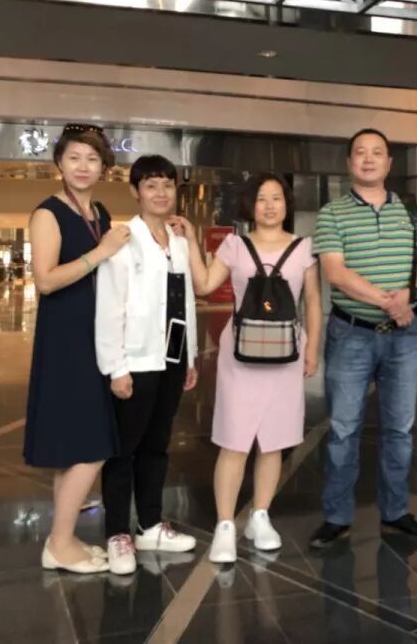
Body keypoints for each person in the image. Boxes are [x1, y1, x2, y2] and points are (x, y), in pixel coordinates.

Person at [179, 173, 322, 565]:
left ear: (287, 204)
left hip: (287, 353)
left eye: (277, 198)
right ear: (250, 205)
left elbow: (312, 300)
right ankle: (225, 525)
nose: (270, 205)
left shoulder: (304, 248)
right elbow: (205, 284)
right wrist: (191, 242)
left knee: (275, 439)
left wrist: (313, 349)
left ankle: (260, 515)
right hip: (240, 355)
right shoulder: (235, 245)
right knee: (234, 439)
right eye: (262, 198)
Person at [309, 128, 417, 549]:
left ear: (389, 163)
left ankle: (396, 512)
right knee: (344, 429)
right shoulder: (332, 213)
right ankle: (336, 517)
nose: (368, 159)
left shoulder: (411, 208)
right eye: (360, 153)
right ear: (349, 163)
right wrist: (391, 302)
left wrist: (411, 296)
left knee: (400, 428)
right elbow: (335, 272)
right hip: (351, 334)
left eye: (377, 153)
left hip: (403, 337)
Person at [24, 123, 131, 574]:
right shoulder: (48, 213)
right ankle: (59, 543)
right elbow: (46, 280)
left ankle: (64, 540)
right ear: (59, 164)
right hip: (66, 336)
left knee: (73, 445)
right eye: (74, 158)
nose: (83, 167)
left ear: (104, 166)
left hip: (96, 332)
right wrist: (101, 252)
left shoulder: (99, 212)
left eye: (92, 159)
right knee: (92, 444)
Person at [95, 155, 198, 577]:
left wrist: (189, 356)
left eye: (167, 185)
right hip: (135, 361)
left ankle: (150, 524)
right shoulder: (123, 239)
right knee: (124, 450)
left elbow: (184, 301)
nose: (160, 193)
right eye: (151, 185)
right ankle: (118, 533)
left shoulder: (178, 240)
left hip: (171, 358)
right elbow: (109, 307)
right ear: (135, 191)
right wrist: (116, 367)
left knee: (157, 446)